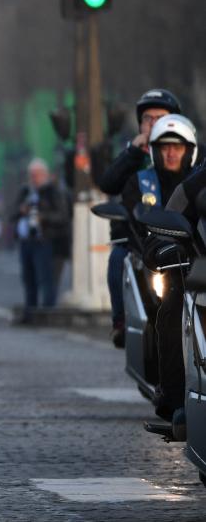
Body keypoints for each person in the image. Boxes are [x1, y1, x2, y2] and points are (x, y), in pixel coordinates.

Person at [120, 114, 196, 420]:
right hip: (192, 270)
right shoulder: (192, 187)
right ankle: (175, 396)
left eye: (178, 147)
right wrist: (163, 249)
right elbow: (156, 232)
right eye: (165, 146)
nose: (171, 153)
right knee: (173, 304)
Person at [94, 89, 181, 347]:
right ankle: (121, 323)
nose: (153, 124)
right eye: (148, 119)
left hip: (180, 238)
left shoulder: (187, 152)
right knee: (118, 258)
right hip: (138, 238)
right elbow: (108, 183)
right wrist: (133, 152)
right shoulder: (135, 155)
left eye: (160, 117)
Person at [12, 158, 70, 315]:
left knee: (46, 279)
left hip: (45, 241)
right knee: (29, 279)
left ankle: (47, 312)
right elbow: (12, 214)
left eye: (37, 175)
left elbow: (62, 216)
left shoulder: (53, 192)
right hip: (26, 241)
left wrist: (43, 217)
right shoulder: (25, 192)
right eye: (31, 175)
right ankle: (30, 311)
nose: (34, 178)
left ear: (45, 175)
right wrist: (21, 211)